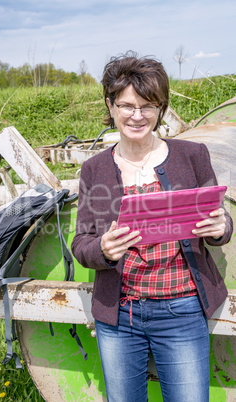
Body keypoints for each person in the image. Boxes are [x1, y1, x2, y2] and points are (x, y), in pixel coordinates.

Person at [71, 51, 233, 402]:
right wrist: (103, 249)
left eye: (148, 105)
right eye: (127, 105)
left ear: (161, 107)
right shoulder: (95, 169)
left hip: (182, 309)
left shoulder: (193, 156)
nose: (137, 115)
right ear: (111, 105)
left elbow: (220, 223)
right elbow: (81, 242)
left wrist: (220, 227)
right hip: (120, 316)